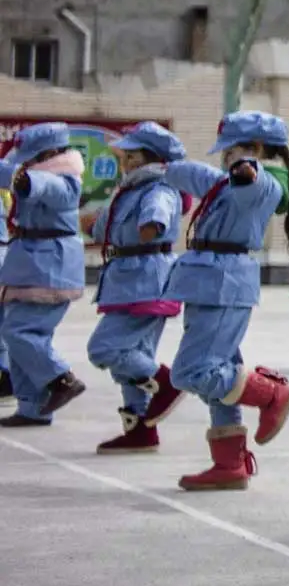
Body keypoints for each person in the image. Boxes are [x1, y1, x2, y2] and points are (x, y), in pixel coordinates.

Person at [156, 112, 289, 486]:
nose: (225, 158)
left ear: (256, 149)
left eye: (233, 151)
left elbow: (252, 181)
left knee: (193, 372)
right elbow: (193, 174)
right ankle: (230, 464)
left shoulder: (262, 184)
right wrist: (160, 165)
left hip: (223, 284)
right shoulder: (227, 183)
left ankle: (272, 393)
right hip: (210, 281)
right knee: (218, 372)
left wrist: (246, 167)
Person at [86, 122, 189, 451]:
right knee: (133, 356)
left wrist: (150, 225)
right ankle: (141, 429)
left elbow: (157, 217)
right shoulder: (128, 190)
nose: (125, 162)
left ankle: (165, 383)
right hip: (126, 277)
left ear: (151, 158)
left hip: (145, 279)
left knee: (105, 348)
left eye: (132, 156)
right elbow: (102, 229)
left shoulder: (159, 188)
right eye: (124, 155)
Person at [1, 123, 92, 425]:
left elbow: (38, 186)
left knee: (21, 333)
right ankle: (33, 407)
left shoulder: (65, 180)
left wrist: (23, 178)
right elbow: (17, 177)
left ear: (51, 153)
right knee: (19, 336)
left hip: (49, 265)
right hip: (32, 263)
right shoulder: (38, 173)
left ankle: (61, 379)